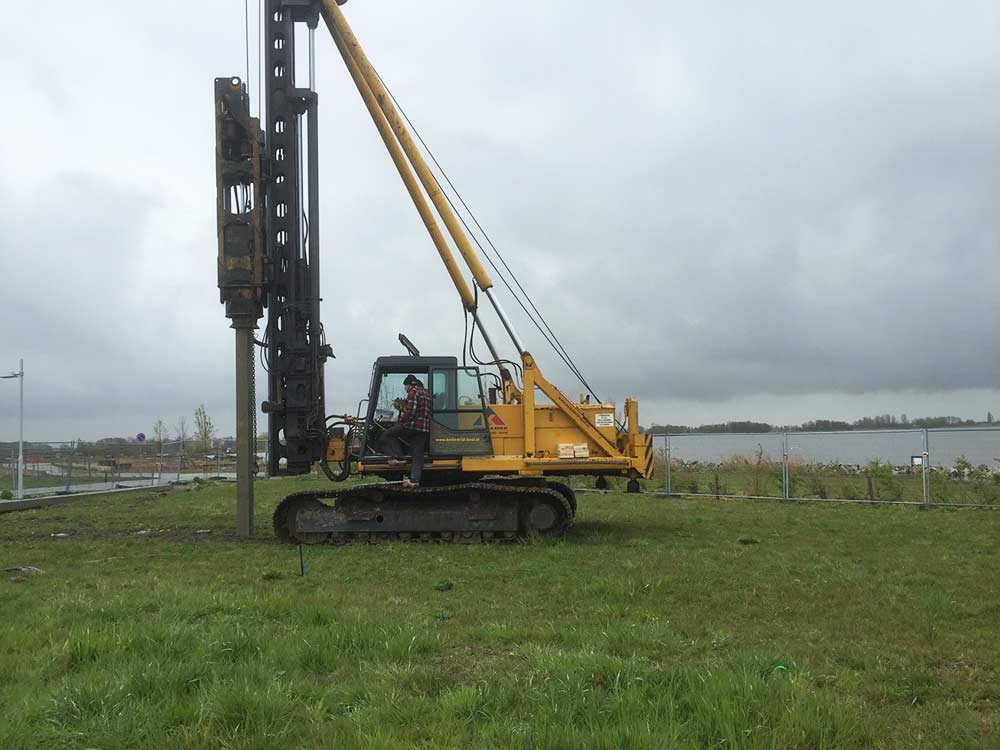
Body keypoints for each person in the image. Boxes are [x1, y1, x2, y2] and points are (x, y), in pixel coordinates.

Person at [381, 374, 432, 488]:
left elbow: (411, 411)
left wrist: (401, 420)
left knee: (387, 434)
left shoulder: (414, 392)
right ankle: (414, 481)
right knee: (418, 454)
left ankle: (397, 457)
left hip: (412, 426)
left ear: (409, 384)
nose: (405, 388)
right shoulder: (427, 393)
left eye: (405, 386)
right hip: (424, 428)